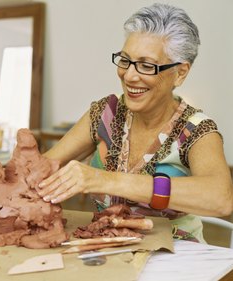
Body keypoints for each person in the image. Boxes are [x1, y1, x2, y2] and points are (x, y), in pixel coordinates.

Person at [37, 3, 233, 243]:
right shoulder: (104, 114)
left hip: (176, 258)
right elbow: (43, 170)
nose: (129, 75)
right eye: (125, 60)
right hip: (106, 251)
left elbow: (221, 198)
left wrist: (104, 179)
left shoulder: (196, 130)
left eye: (146, 65)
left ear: (180, 73)